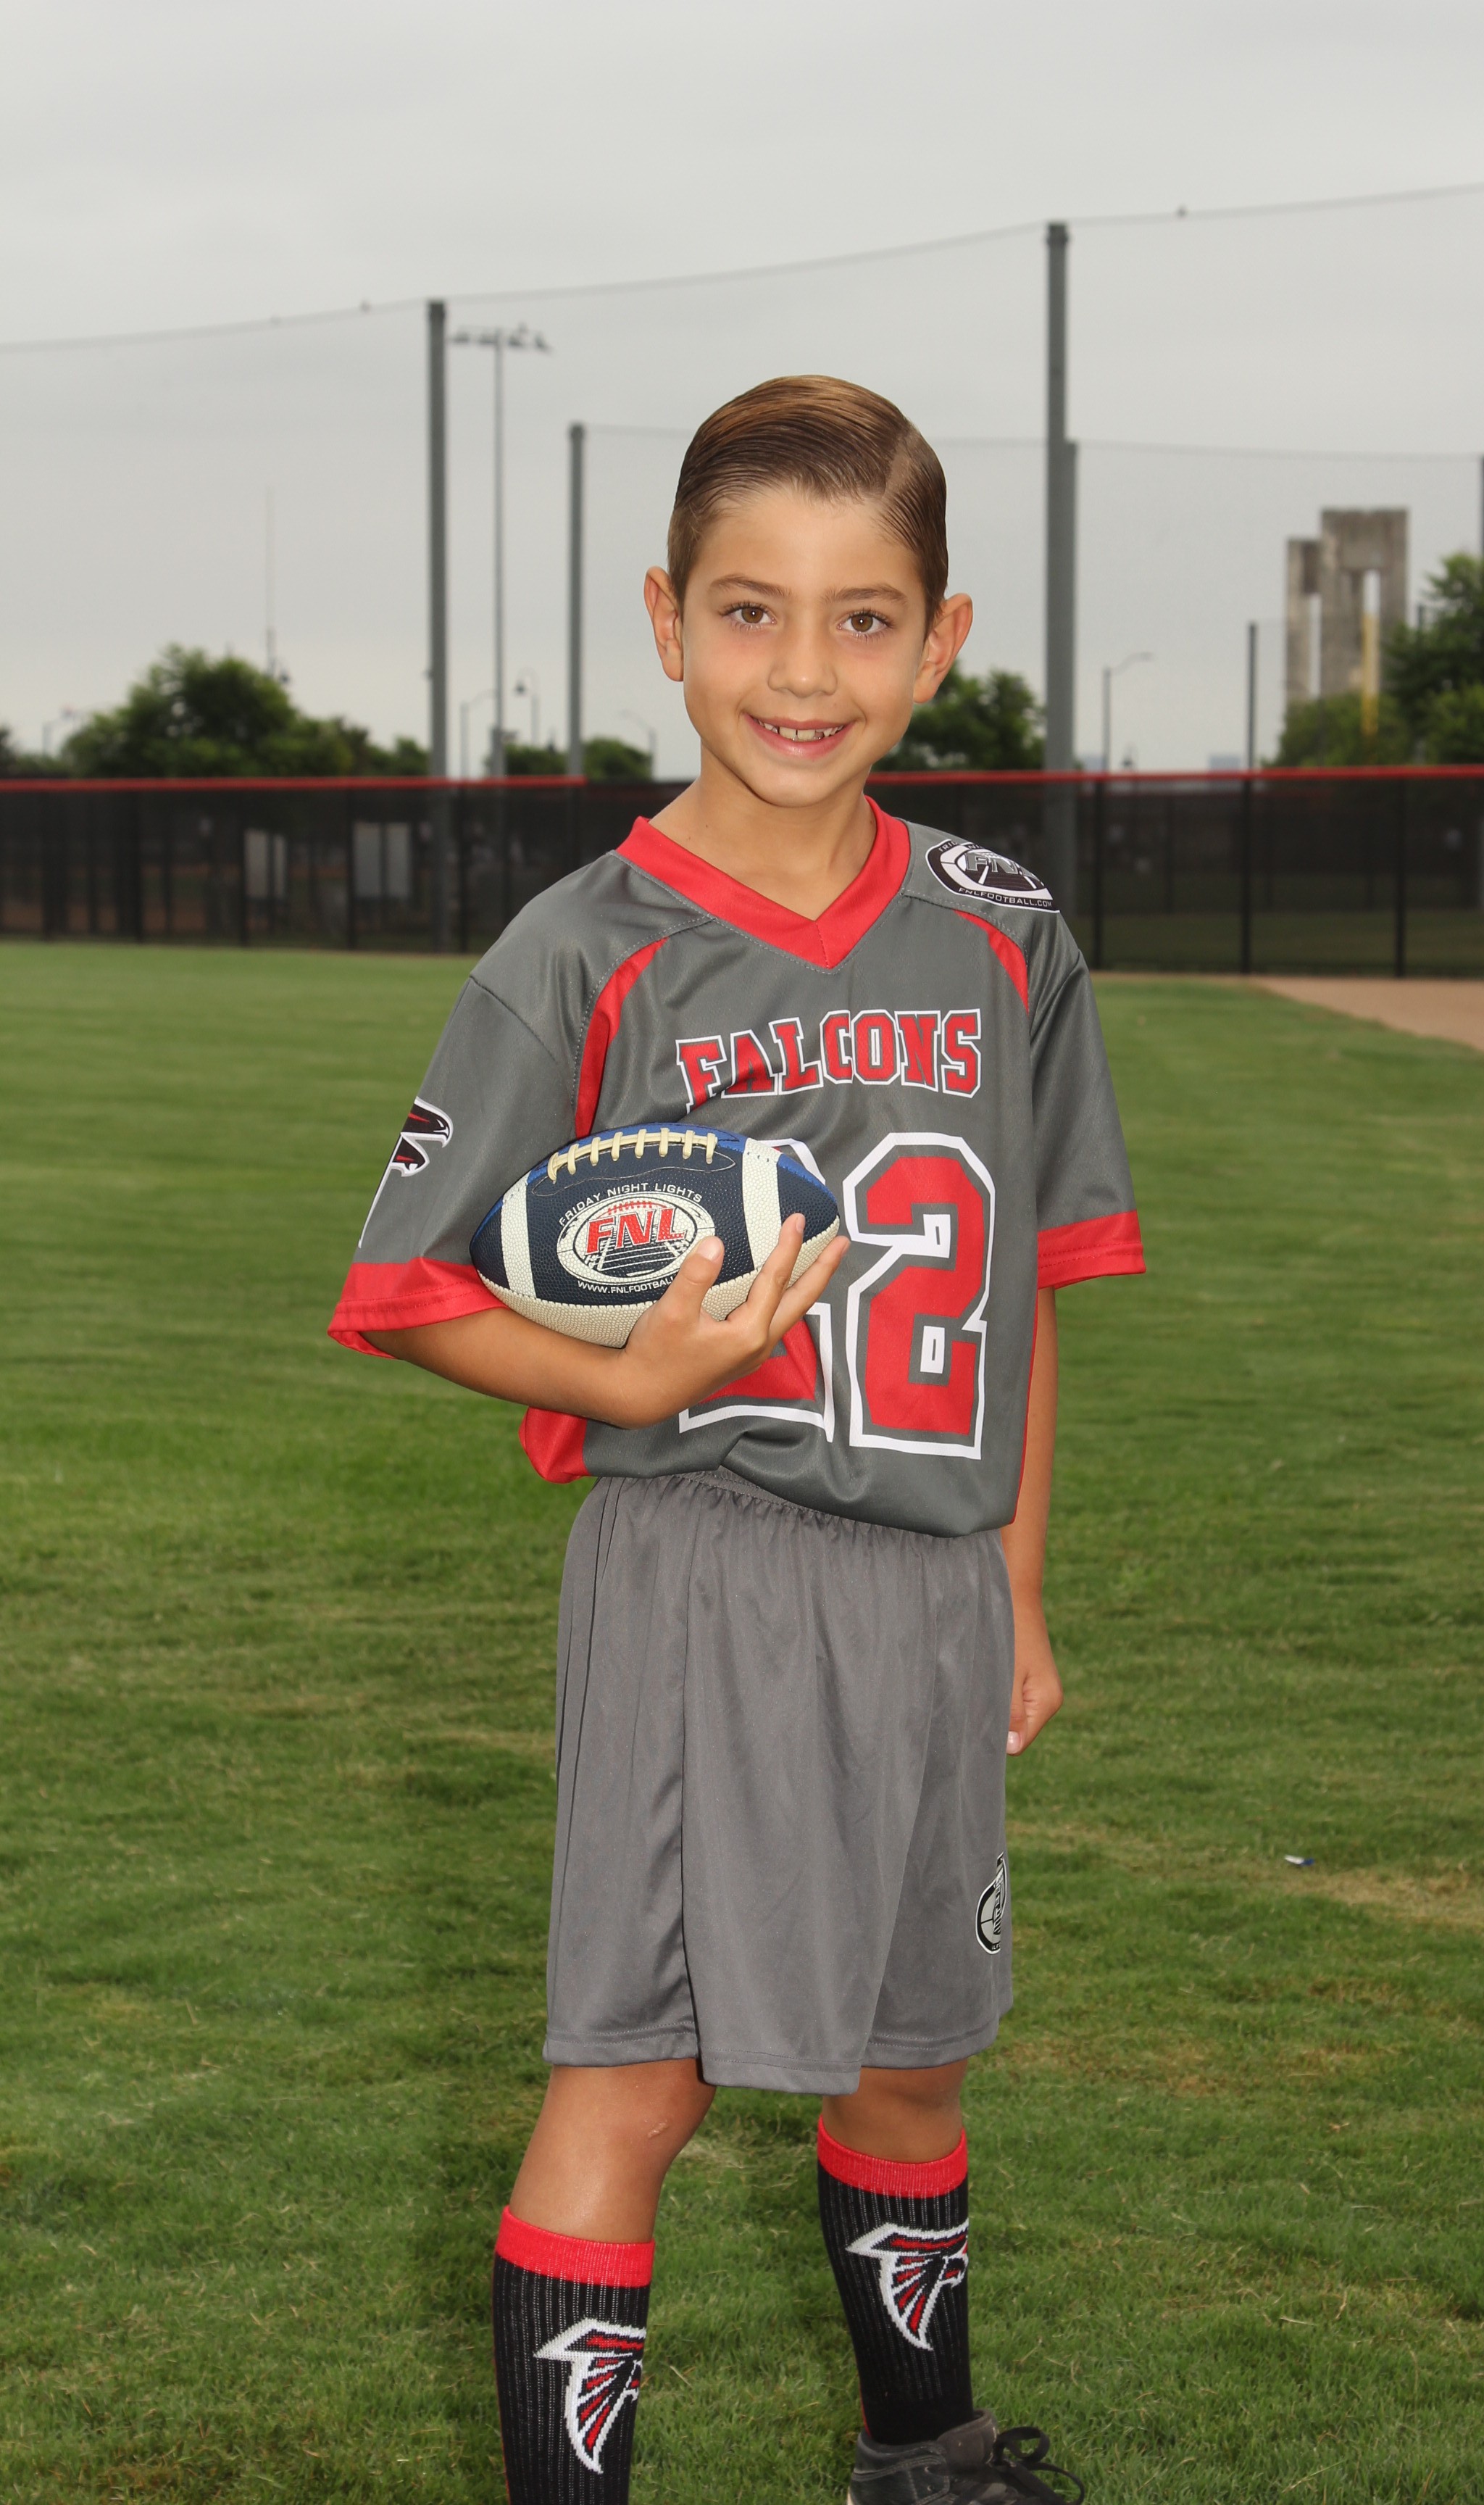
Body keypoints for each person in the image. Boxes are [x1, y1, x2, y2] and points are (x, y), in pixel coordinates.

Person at [330, 375, 1143, 2504]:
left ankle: (926, 2459)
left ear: (940, 640)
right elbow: (405, 1287)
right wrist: (617, 1381)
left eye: (863, 619)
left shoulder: (1005, 931)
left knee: (912, 2056)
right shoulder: (585, 947)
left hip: (934, 1584)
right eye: (752, 612)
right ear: (667, 620)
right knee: (641, 2083)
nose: (805, 671)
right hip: (709, 1565)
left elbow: (1028, 1292)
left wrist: (1019, 1586)